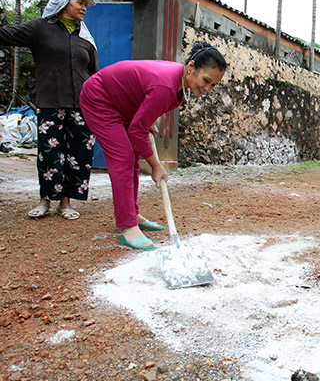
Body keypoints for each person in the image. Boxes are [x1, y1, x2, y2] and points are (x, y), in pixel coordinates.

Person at [79, 42, 227, 250]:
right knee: (123, 157)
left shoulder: (178, 81)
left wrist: (148, 118)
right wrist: (156, 166)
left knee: (131, 160)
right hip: (100, 99)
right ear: (191, 67)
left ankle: (132, 213)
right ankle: (127, 226)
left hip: (122, 102)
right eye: (206, 81)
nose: (207, 89)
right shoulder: (166, 85)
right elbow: (137, 131)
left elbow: (142, 91)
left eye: (213, 85)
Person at [0, 0, 99, 220]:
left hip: (81, 105)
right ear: (64, 2)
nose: (84, 8)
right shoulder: (40, 29)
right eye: (79, 2)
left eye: (85, 4)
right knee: (49, 153)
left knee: (78, 154)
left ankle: (65, 203)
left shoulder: (85, 38)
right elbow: (5, 34)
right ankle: (45, 200)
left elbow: (95, 75)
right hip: (50, 102)